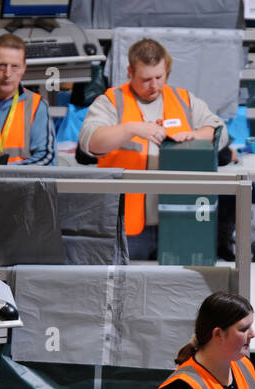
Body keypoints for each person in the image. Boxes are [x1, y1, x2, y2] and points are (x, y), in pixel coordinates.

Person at [78, 37, 238, 261]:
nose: (153, 85)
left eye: (159, 77)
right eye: (145, 79)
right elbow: (90, 142)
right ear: (130, 72)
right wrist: (130, 128)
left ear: (167, 71)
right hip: (125, 227)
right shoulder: (111, 102)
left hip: (177, 221)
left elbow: (219, 132)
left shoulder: (184, 100)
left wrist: (195, 135)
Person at [0, 33, 57, 165]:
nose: (8, 74)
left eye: (15, 67)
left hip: (19, 184)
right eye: (2, 65)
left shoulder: (36, 106)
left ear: (24, 68)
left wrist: (3, 173)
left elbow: (47, 159)